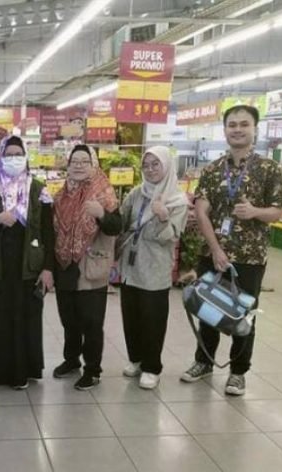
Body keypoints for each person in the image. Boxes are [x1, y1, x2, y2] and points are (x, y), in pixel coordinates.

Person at [180, 105, 282, 396]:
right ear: (225, 130)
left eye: (244, 124)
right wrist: (215, 250)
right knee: (207, 309)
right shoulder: (213, 169)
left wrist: (255, 212)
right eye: (232, 124)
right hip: (211, 254)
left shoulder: (269, 169)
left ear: (255, 129)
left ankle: (238, 372)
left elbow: (277, 212)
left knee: (244, 315)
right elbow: (202, 212)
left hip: (250, 257)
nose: (237, 129)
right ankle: (204, 361)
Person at [0, 135, 55, 389]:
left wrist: (48, 268)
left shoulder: (38, 190)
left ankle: (23, 371)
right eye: (8, 155)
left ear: (25, 157)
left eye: (18, 154)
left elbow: (48, 232)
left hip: (28, 266)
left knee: (25, 317)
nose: (13, 159)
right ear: (0, 158)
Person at [52, 144, 122, 390]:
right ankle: (71, 360)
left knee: (91, 323)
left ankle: (93, 370)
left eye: (85, 161)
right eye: (75, 161)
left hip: (92, 267)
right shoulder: (60, 196)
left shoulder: (104, 193)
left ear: (93, 165)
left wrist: (101, 213)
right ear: (68, 165)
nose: (79, 166)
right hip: (65, 266)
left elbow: (116, 227)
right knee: (69, 319)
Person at [118, 146, 188, 390]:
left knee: (153, 319)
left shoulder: (177, 200)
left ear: (166, 166)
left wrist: (163, 217)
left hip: (155, 268)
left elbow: (170, 236)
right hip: (130, 266)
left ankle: (151, 367)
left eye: (155, 164)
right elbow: (122, 220)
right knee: (131, 316)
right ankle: (136, 359)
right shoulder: (137, 193)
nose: (150, 170)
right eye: (146, 165)